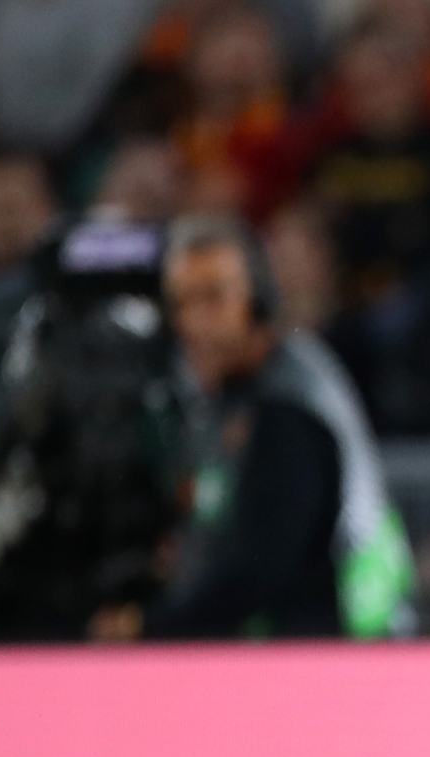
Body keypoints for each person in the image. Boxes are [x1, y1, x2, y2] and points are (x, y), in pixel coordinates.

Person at [104, 212, 414, 639]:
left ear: (259, 300)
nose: (193, 322)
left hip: (335, 648)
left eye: (213, 298)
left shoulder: (294, 399)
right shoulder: (214, 391)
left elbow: (264, 565)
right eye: (181, 302)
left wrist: (149, 628)